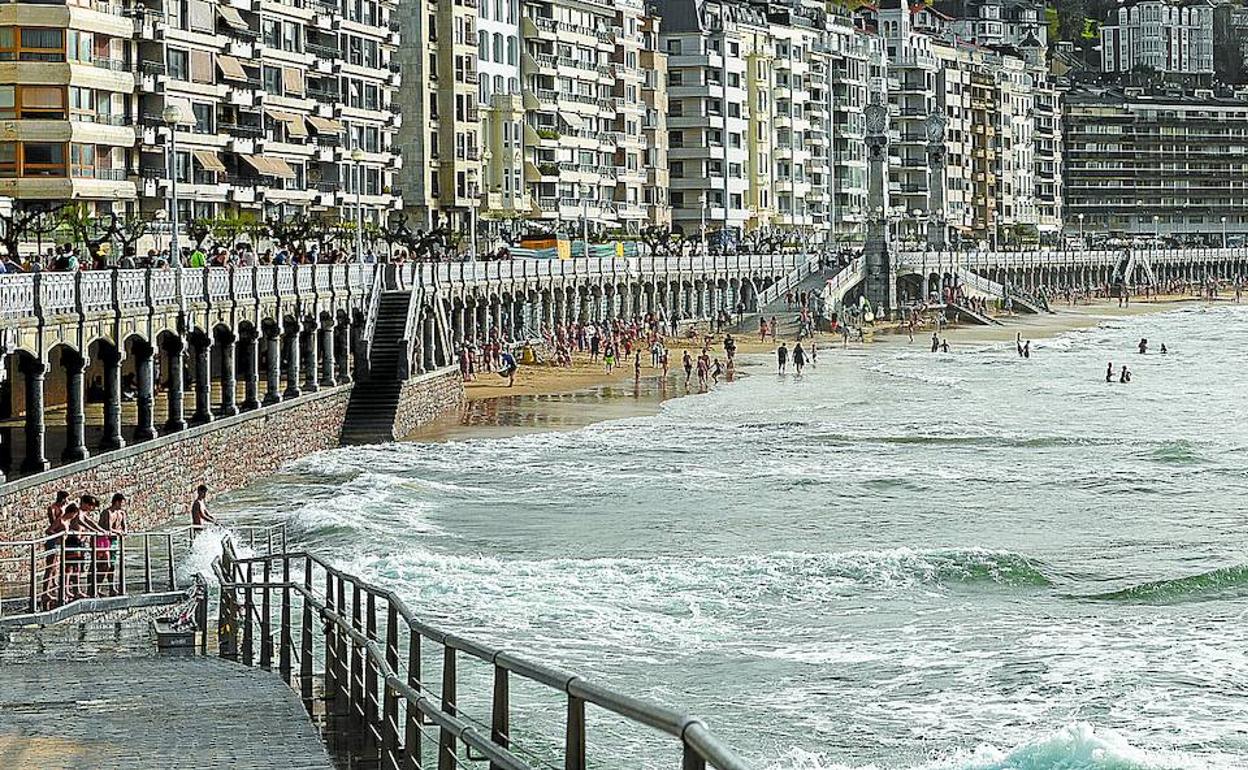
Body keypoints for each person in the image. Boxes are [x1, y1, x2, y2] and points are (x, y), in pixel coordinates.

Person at [98, 493, 127, 595]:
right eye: (121, 503)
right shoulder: (107, 512)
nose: (122, 506)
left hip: (114, 541)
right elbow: (107, 528)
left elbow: (124, 526)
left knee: (112, 565)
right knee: (104, 565)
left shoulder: (121, 513)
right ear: (117, 502)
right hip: (104, 540)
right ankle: (97, 588)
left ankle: (112, 587)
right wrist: (119, 532)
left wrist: (124, 531)